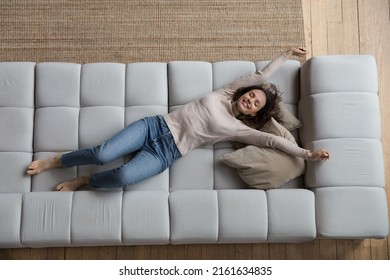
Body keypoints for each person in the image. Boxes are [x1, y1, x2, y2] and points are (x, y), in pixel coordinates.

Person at [27, 47, 330, 191]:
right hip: (155, 126)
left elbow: (274, 139)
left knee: (121, 178)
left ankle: (84, 181)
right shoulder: (227, 91)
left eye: (255, 104)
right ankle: (57, 161)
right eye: (252, 95)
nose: (250, 100)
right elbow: (262, 75)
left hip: (168, 152)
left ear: (254, 114)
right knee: (102, 153)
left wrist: (308, 154)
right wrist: (287, 54)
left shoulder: (240, 129)